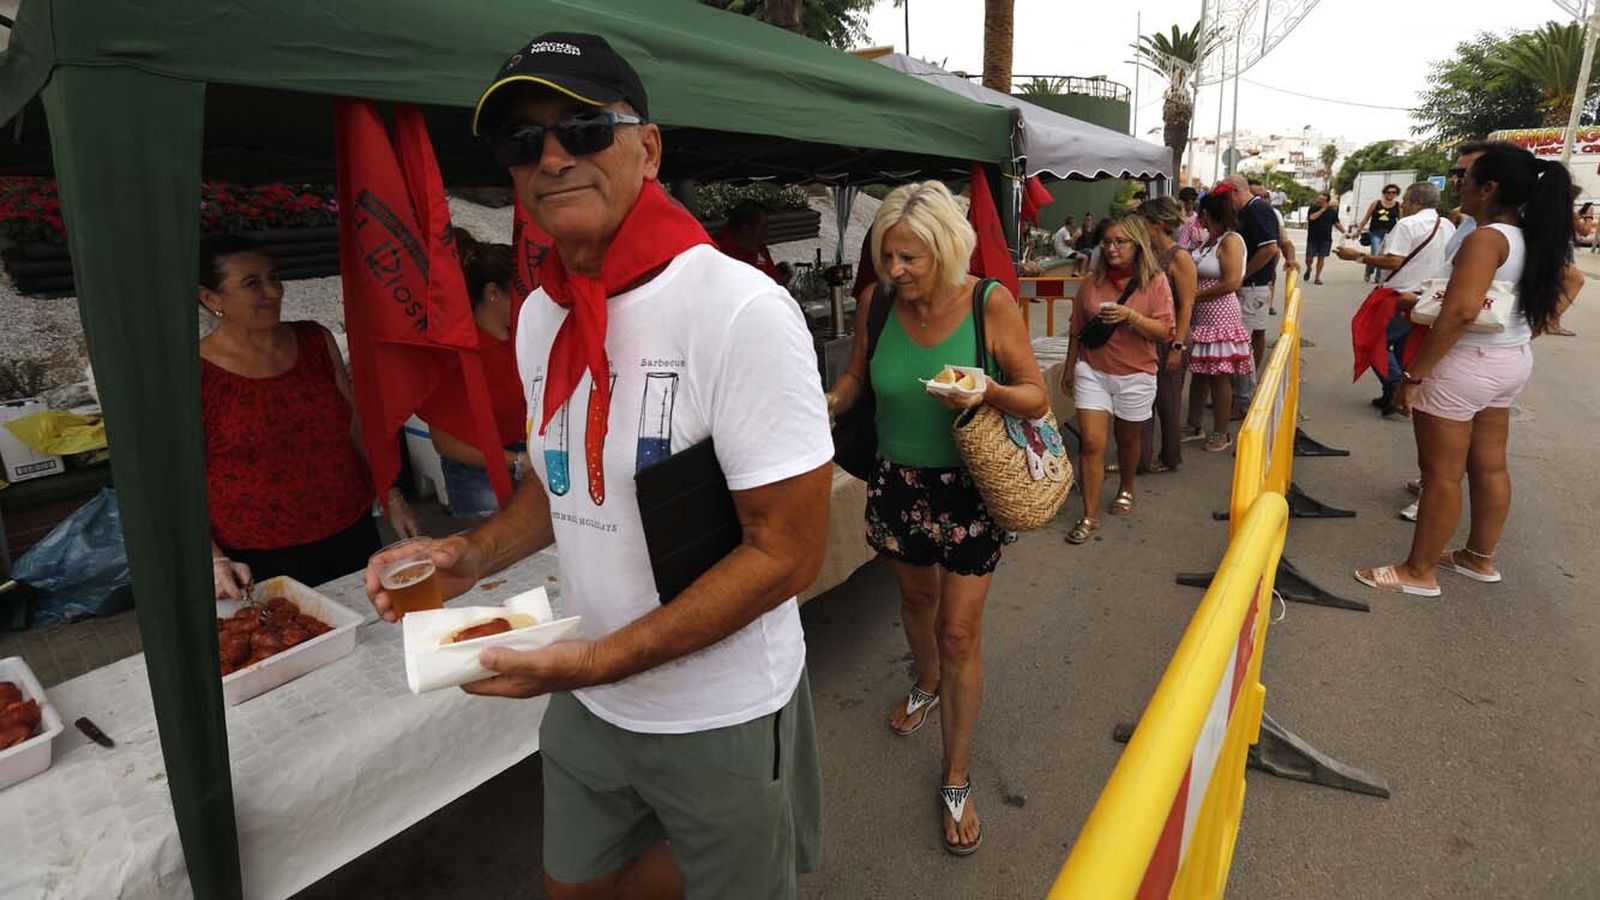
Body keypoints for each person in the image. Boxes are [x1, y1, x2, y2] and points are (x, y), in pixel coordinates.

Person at [371, 33, 833, 897]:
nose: (552, 157)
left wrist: (599, 660)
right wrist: (471, 553)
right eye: (523, 143)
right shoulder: (541, 315)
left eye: (582, 129)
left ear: (648, 148)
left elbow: (789, 552)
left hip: (718, 711)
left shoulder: (738, 309)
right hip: (590, 698)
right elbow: (558, 483)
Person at [826, 180, 1048, 857]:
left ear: (946, 250)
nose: (895, 270)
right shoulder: (877, 302)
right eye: (888, 256)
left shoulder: (989, 303)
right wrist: (826, 401)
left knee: (958, 632)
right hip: (897, 484)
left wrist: (987, 389)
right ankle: (925, 681)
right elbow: (858, 379)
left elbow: (1036, 397)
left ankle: (955, 774)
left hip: (969, 491)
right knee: (916, 602)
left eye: (910, 258)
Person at [1355, 145, 1580, 597]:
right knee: (1490, 465)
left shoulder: (1486, 238)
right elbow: (1572, 280)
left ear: (1490, 188)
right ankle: (1478, 557)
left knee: (1441, 473)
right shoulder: (1531, 236)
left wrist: (1413, 378)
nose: (1459, 185)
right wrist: (1524, 330)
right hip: (1509, 361)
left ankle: (1418, 572)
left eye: (1467, 178)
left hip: (1463, 366)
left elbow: (1459, 312)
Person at [200, 236, 420, 599]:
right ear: (210, 298)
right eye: (252, 283)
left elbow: (356, 428)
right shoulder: (197, 374)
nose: (273, 292)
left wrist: (392, 496)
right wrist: (214, 559)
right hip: (258, 553)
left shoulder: (314, 341)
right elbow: (179, 480)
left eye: (274, 278)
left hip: (350, 529)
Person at [1061, 212, 1176, 544]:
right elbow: (1077, 329)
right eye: (1107, 242)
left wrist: (1130, 316)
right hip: (1092, 371)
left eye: (1120, 242)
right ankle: (1089, 515)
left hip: (1136, 373)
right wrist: (1070, 367)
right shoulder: (1092, 282)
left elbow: (1165, 331)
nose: (1112, 248)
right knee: (1091, 443)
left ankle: (1127, 486)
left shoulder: (1155, 282)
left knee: (1127, 440)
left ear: (1137, 244)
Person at [426, 228, 532, 518]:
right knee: (492, 541)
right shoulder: (456, 353)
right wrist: (517, 461)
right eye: (520, 292)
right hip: (477, 471)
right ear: (493, 293)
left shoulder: (524, 336)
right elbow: (445, 442)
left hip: (526, 457)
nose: (528, 300)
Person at [1336, 182, 1455, 418]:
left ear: (1418, 202)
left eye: (1406, 201)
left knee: (1371, 339)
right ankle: (1393, 393)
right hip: (1428, 297)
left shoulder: (1408, 224)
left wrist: (1358, 257)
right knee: (1405, 348)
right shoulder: (1448, 225)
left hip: (1400, 295)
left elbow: (1394, 261)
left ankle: (1395, 386)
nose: (1402, 205)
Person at [1180, 187, 1253, 452]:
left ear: (1209, 213)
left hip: (1220, 316)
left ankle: (1221, 432)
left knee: (1219, 376)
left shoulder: (1230, 241)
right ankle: (1194, 424)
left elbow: (1232, 282)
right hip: (1202, 316)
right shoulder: (1210, 240)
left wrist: (1194, 297)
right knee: (1200, 373)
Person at [1136, 197, 1197, 473]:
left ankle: (1170, 457)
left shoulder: (1179, 257)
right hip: (1150, 336)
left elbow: (1186, 305)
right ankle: (1141, 457)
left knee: (1168, 402)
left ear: (1157, 224)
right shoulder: (1148, 253)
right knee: (1144, 400)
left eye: (1143, 223)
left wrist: (1177, 346)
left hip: (1172, 338)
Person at [1225, 174, 1280, 405]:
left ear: (1234, 191)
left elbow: (1270, 248)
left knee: (1241, 345)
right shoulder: (1254, 209)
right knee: (1251, 338)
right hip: (1255, 286)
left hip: (1252, 287)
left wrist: (1242, 275)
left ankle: (1242, 399)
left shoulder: (1256, 210)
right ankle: (1245, 393)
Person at [714, 200, 793, 286]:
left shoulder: (759, 249)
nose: (767, 232)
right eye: (763, 227)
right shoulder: (717, 252)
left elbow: (774, 281)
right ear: (746, 229)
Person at [1353, 183, 1402, 283]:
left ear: (1396, 194)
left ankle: (1378, 278)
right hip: (1376, 232)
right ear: (1384, 193)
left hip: (1390, 234)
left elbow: (1401, 221)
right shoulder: (1376, 203)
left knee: (1384, 255)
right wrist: (1358, 230)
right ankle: (1369, 271)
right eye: (1388, 192)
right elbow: (1366, 218)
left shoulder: (1398, 206)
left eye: (1394, 192)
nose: (1391, 194)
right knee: (1376, 253)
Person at [1304, 191, 1345, 284]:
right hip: (1313, 238)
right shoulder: (1313, 208)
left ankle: (1317, 277)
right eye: (1319, 199)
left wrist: (1345, 232)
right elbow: (1311, 218)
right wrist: (1322, 210)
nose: (1320, 201)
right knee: (1309, 258)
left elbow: (1336, 223)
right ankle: (1309, 268)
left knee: (1321, 258)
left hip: (1326, 238)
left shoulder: (1332, 211)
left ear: (1327, 201)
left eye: (1322, 200)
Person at [1176, 186, 1207, 251]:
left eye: (1192, 202)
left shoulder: (1197, 219)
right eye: (1187, 202)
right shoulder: (1175, 218)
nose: (1190, 205)